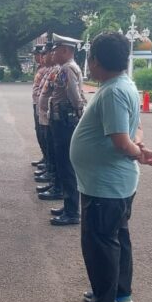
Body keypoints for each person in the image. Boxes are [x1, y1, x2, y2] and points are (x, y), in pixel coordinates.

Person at [68, 32, 152, 302]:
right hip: (110, 183)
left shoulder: (113, 92)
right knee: (116, 238)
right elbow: (136, 129)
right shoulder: (124, 85)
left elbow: (121, 141)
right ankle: (119, 294)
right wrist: (139, 147)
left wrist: (137, 153)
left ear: (95, 60)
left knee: (100, 245)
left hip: (105, 185)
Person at [47, 34, 87, 226]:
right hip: (63, 121)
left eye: (56, 50)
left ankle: (72, 212)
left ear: (65, 51)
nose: (53, 54)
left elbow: (74, 95)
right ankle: (68, 205)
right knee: (64, 165)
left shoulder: (67, 68)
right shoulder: (68, 67)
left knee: (66, 166)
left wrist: (78, 111)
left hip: (65, 122)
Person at [36, 43, 63, 199]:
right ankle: (53, 180)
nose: (46, 56)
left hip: (55, 116)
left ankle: (57, 186)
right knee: (50, 147)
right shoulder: (53, 70)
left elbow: (72, 95)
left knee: (56, 152)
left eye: (51, 53)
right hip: (47, 113)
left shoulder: (64, 70)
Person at [31, 45, 48, 167]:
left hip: (43, 106)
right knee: (39, 132)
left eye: (38, 55)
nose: (37, 57)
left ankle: (48, 160)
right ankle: (45, 157)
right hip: (37, 103)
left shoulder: (48, 69)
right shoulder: (40, 68)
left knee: (44, 133)